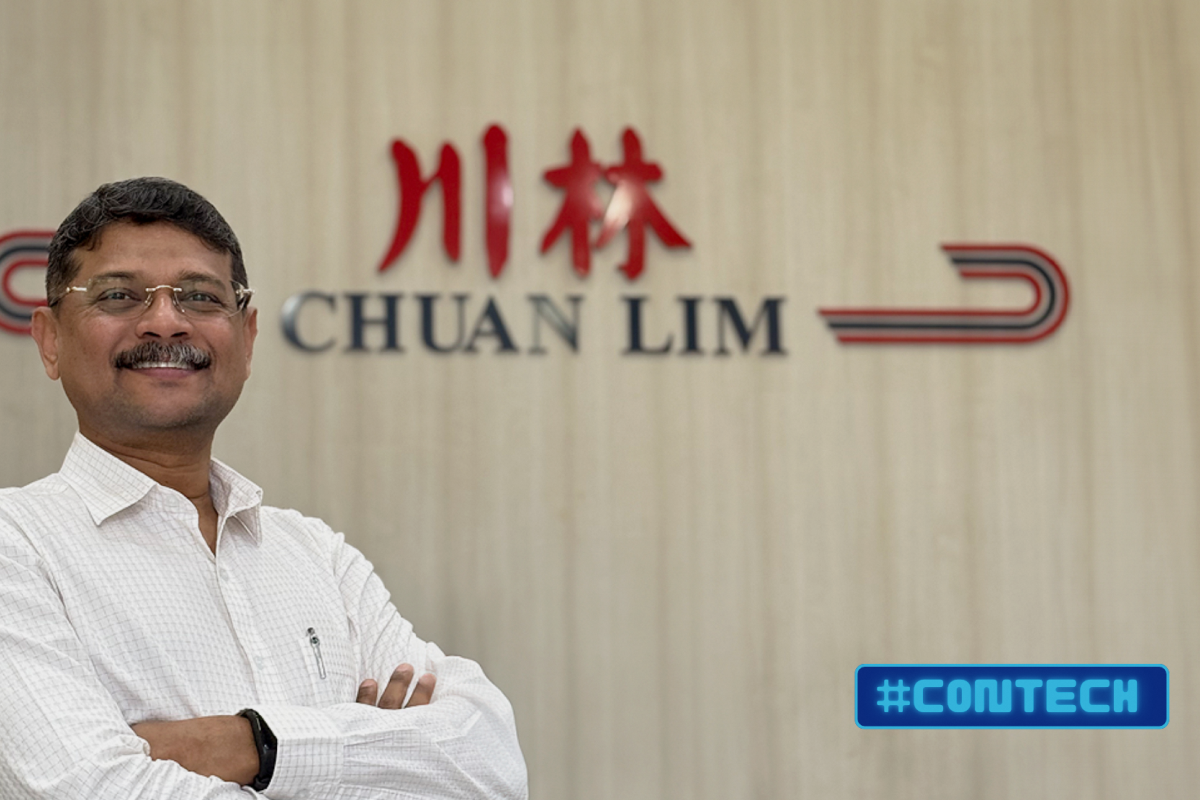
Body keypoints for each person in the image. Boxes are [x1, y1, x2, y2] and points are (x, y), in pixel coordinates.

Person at [0, 177, 528, 799]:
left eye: (199, 297)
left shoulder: (315, 554)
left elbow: (490, 765)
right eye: (119, 295)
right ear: (51, 339)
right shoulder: (18, 546)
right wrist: (370, 754)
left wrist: (251, 745)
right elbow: (94, 788)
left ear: (247, 340)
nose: (165, 322)